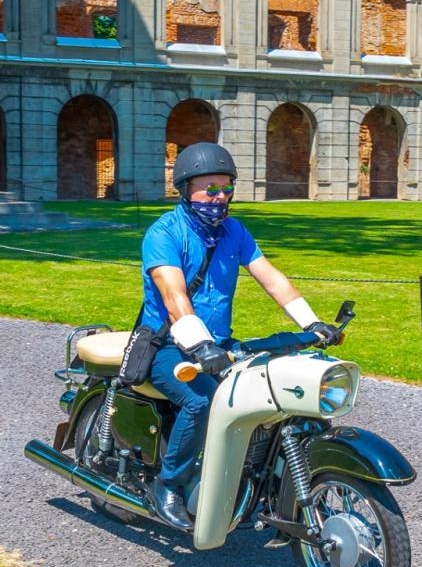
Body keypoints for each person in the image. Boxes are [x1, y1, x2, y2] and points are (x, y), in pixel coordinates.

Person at [138, 142, 339, 530]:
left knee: (270, 389)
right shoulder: (164, 233)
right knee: (201, 402)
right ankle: (168, 485)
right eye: (210, 189)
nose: (220, 197)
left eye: (226, 188)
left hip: (217, 345)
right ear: (185, 189)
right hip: (168, 345)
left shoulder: (235, 231)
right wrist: (198, 345)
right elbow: (174, 296)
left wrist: (311, 323)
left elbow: (272, 279)